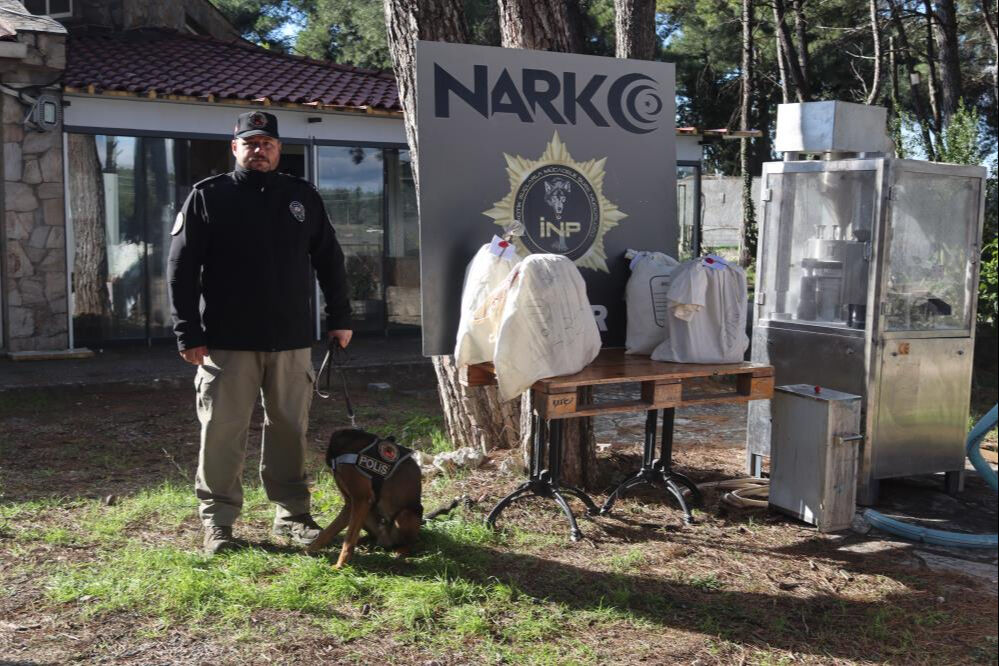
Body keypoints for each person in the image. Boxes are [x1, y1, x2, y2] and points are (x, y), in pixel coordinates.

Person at [168, 111, 352, 556]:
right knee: (223, 432)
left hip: (290, 341)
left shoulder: (301, 196)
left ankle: (292, 515)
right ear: (235, 148)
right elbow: (181, 268)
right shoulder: (208, 197)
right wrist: (187, 330)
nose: (259, 149)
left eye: (267, 143)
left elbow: (329, 258)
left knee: (290, 428)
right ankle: (219, 523)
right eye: (249, 143)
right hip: (227, 343)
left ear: (277, 148)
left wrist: (340, 316)